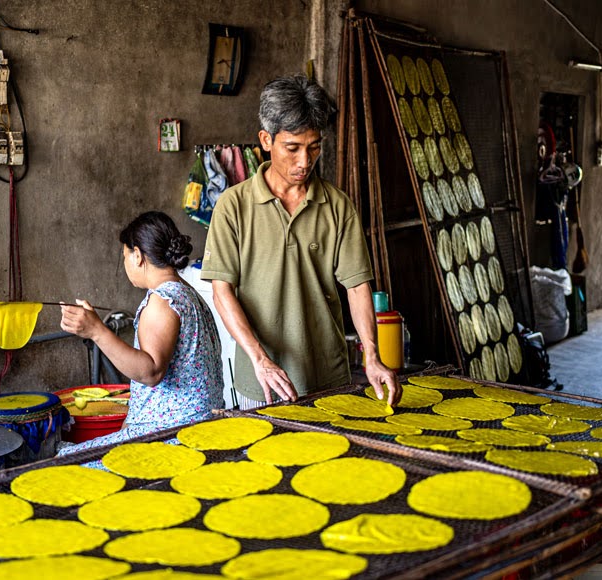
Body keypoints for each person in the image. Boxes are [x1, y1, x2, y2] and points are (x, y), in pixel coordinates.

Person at [200, 74, 401, 409]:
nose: (304, 162)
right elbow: (222, 292)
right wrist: (259, 359)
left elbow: (357, 286)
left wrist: (372, 354)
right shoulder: (232, 206)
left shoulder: (337, 205)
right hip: (262, 381)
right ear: (266, 140)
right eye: (292, 148)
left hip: (330, 376)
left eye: (314, 147)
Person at [57, 211, 223, 454]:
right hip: (198, 425)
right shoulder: (188, 294)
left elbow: (151, 371)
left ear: (137, 256)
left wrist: (96, 331)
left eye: (125, 256)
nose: (125, 264)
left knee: (65, 461)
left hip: (172, 434)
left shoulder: (162, 300)